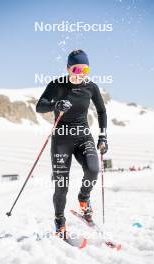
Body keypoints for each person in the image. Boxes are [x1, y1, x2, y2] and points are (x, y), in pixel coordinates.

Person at [36, 50, 108, 237]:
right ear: (68, 68)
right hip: (61, 139)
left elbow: (101, 111)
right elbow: (40, 106)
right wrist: (55, 105)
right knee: (62, 185)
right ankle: (59, 220)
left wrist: (103, 136)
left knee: (93, 169)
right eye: (76, 69)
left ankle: (84, 198)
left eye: (85, 69)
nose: (80, 73)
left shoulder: (91, 87)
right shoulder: (57, 85)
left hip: (83, 135)